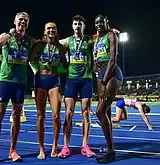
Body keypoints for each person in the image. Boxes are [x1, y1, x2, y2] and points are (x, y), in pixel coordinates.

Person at [0, 12, 36, 164]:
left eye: (25, 21)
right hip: (5, 80)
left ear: (28, 24)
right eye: (20, 20)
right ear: (14, 21)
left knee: (16, 116)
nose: (23, 23)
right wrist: (8, 35)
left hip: (20, 82)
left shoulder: (29, 41)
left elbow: (34, 57)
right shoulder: (6, 36)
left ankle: (13, 150)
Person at [28, 22, 68, 159]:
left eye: (53, 28)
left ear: (56, 31)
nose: (51, 30)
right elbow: (30, 59)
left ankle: (55, 146)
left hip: (54, 81)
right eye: (48, 28)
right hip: (40, 80)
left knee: (56, 116)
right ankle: (41, 149)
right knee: (41, 116)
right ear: (45, 31)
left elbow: (65, 64)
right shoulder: (39, 45)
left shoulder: (60, 47)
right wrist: (36, 72)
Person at [58, 15, 95, 158]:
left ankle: (85, 145)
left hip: (86, 79)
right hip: (72, 80)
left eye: (80, 24)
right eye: (75, 24)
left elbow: (103, 36)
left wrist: (111, 30)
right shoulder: (68, 41)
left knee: (85, 112)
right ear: (72, 26)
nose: (77, 26)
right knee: (68, 113)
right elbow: (52, 43)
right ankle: (65, 146)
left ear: (84, 26)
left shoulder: (89, 40)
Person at [92, 14, 123, 163]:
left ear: (106, 22)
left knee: (100, 112)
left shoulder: (111, 35)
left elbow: (112, 59)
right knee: (107, 113)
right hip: (100, 74)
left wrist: (104, 81)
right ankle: (109, 147)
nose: (99, 24)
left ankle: (111, 151)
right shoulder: (97, 38)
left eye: (101, 21)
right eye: (96, 22)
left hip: (111, 73)